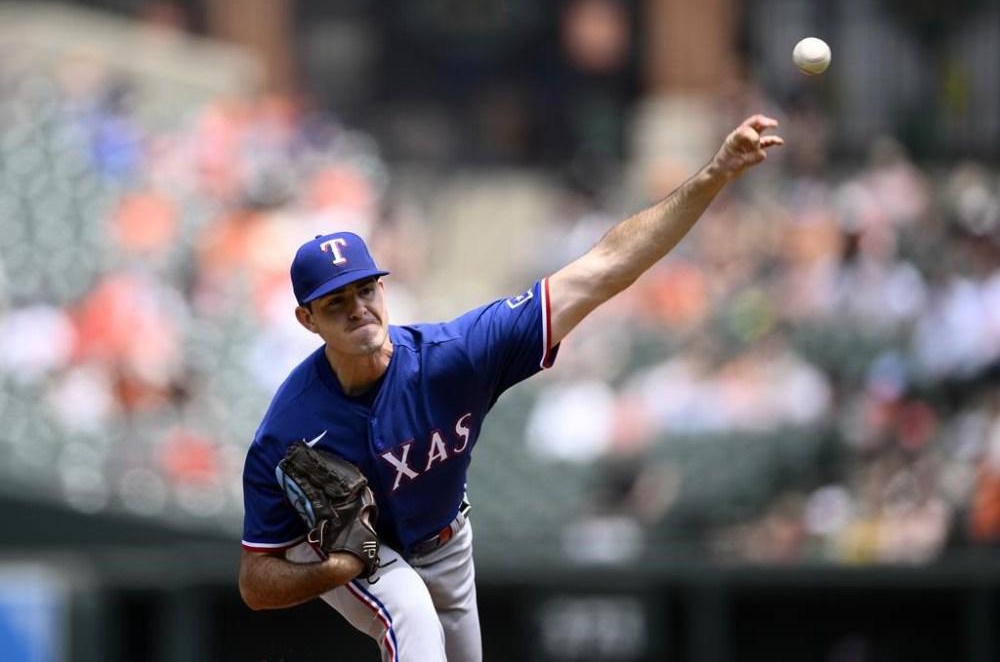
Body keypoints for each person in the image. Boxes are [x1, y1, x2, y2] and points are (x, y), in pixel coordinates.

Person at [239, 114, 784, 661]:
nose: (358, 309)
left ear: (385, 286)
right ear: (307, 320)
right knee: (410, 619)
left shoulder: (456, 356)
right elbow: (256, 583)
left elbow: (606, 266)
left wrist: (712, 175)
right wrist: (336, 566)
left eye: (365, 290)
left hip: (447, 539)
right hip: (358, 552)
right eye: (337, 302)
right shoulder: (289, 429)